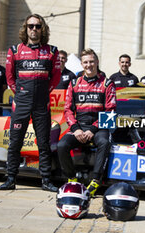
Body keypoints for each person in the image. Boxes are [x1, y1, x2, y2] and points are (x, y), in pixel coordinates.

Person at [0, 14, 61, 192]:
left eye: (38, 26)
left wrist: (43, 93)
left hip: (42, 103)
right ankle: (10, 178)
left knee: (43, 143)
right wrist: (20, 95)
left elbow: (55, 78)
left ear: (43, 29)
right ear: (25, 28)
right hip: (21, 103)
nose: (34, 29)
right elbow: (9, 77)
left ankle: (46, 180)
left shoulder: (52, 51)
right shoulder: (15, 50)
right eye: (31, 26)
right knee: (15, 141)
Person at [57, 48, 116, 197]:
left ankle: (96, 181)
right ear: (82, 64)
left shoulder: (107, 84)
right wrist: (76, 129)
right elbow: (68, 110)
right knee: (61, 145)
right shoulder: (74, 83)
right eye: (85, 62)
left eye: (91, 61)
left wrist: (93, 130)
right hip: (80, 125)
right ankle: (72, 178)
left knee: (104, 142)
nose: (89, 65)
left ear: (96, 62)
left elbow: (110, 112)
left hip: (99, 126)